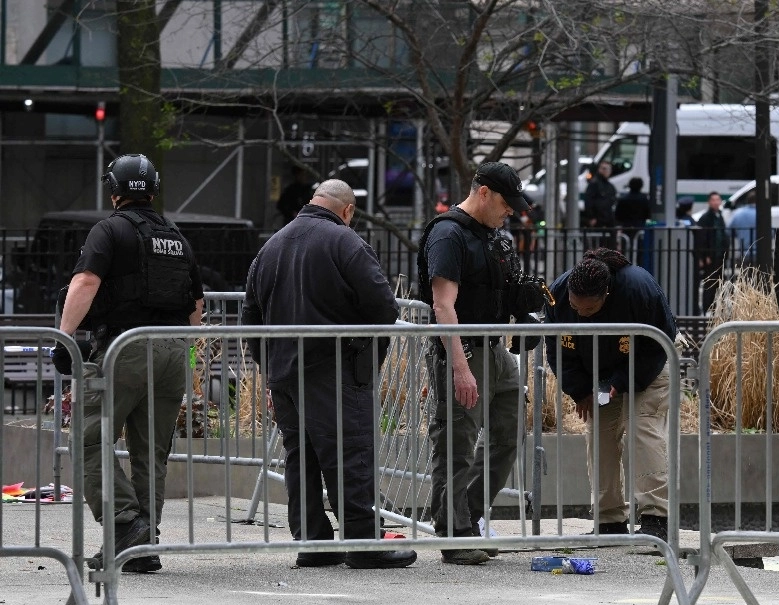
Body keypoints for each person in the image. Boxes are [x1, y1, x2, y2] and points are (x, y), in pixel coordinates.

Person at [242, 179, 416, 570]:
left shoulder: (271, 246)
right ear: (348, 210)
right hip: (336, 371)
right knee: (349, 454)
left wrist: (269, 370)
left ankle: (312, 543)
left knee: (299, 457)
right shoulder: (346, 243)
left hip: (284, 374)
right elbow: (384, 307)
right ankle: (362, 543)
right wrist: (364, 354)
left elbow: (249, 317)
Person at [50, 153, 205, 574]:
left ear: (113, 190)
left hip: (125, 349)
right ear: (153, 190)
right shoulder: (176, 237)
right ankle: (140, 547)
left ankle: (124, 522)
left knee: (88, 439)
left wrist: (65, 337)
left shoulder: (109, 230)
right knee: (151, 452)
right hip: (173, 350)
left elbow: (85, 282)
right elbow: (196, 306)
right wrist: (186, 359)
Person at [418, 161, 547, 565]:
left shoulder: (497, 239)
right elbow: (443, 305)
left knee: (509, 435)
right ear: (484, 192)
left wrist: (524, 307)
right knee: (456, 443)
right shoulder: (447, 234)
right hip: (463, 349)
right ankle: (453, 533)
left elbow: (502, 294)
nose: (510, 210)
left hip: (494, 348)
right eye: (506, 203)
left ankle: (469, 518)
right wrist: (459, 366)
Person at [542, 248, 676, 541]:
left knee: (644, 430)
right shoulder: (558, 295)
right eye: (575, 308)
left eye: (588, 310)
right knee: (600, 437)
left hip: (647, 367)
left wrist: (621, 380)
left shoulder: (638, 288)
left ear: (606, 294)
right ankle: (609, 518)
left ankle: (657, 516)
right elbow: (558, 348)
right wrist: (578, 390)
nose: (580, 314)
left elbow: (660, 342)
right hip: (596, 375)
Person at [694, 191, 729, 314]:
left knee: (719, 282)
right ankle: (707, 307)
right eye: (713, 200)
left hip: (719, 255)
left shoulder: (719, 216)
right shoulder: (706, 218)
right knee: (709, 283)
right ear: (709, 202)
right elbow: (702, 238)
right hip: (711, 255)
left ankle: (717, 307)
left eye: (717, 200)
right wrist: (705, 255)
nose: (715, 202)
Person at [614, 177, 651, 244]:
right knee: (639, 244)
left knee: (626, 243)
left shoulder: (623, 199)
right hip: (640, 225)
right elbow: (647, 213)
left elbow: (618, 214)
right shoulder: (644, 199)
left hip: (626, 225)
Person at [583, 161, 618, 230]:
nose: (606, 171)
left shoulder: (610, 186)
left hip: (608, 217)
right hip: (598, 218)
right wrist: (591, 217)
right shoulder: (594, 184)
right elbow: (588, 201)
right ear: (599, 169)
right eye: (604, 169)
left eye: (608, 169)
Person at [728, 196, 757, 266]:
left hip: (743, 252)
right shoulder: (762, 214)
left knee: (745, 275)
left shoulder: (738, 214)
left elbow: (728, 231)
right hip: (759, 253)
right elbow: (771, 233)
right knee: (761, 275)